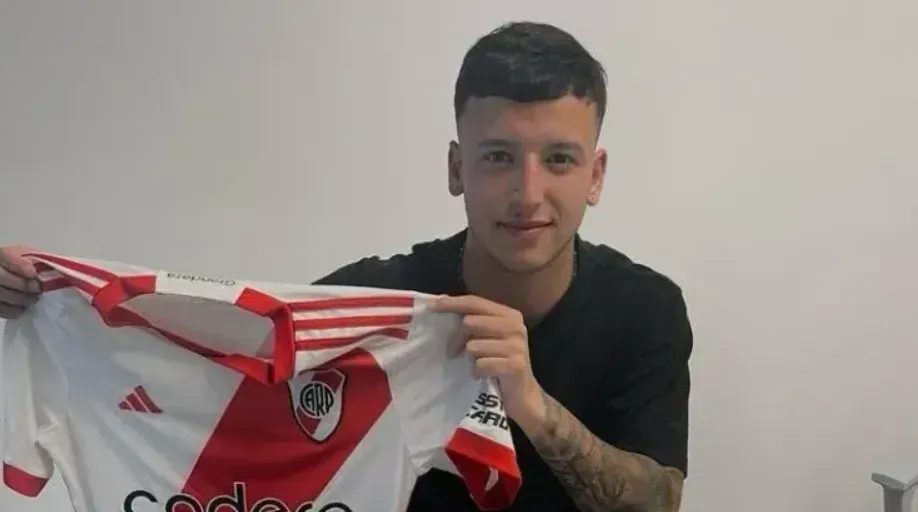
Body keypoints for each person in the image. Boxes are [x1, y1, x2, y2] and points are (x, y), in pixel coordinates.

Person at [0, 21, 693, 512]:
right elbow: (216, 357)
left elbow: (657, 503)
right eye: (498, 156)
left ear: (596, 174)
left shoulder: (646, 310)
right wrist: (58, 301)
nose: (528, 193)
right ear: (458, 168)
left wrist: (530, 404)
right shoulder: (382, 299)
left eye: (560, 160)